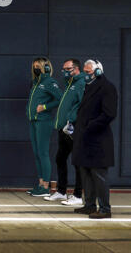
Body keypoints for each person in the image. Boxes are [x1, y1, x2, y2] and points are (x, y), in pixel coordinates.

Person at [72, 59, 118, 218]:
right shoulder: (89, 87)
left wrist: (90, 125)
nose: (86, 75)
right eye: (84, 71)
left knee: (99, 175)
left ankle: (105, 209)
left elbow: (109, 114)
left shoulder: (107, 88)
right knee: (86, 172)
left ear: (98, 71)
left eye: (89, 72)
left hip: (98, 139)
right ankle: (90, 205)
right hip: (85, 139)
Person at [47, 58, 85, 205]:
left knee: (77, 162)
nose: (64, 72)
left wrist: (72, 121)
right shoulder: (70, 84)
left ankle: (77, 195)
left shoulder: (80, 84)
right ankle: (62, 191)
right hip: (63, 129)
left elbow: (82, 106)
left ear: (76, 69)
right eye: (63, 69)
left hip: (72, 129)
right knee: (60, 159)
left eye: (67, 69)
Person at [26, 57, 63, 196]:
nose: (36, 68)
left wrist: (45, 107)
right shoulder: (35, 83)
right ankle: (41, 184)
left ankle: (46, 186)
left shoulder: (49, 82)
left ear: (45, 68)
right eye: (34, 66)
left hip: (44, 121)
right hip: (33, 121)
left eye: (38, 66)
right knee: (37, 154)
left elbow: (60, 98)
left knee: (43, 153)